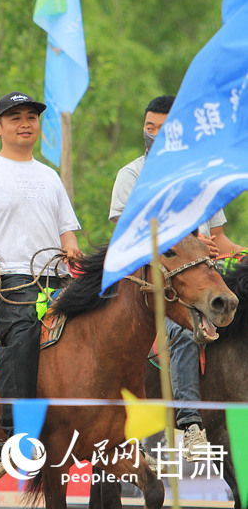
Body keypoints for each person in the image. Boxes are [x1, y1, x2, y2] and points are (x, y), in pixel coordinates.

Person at [109, 94, 244, 460]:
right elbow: (127, 237)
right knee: (185, 330)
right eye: (149, 128)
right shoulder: (131, 175)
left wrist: (240, 252)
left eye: (163, 129)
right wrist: (189, 247)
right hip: (160, 280)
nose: (154, 135)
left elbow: (220, 240)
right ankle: (192, 423)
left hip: (206, 275)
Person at [0, 91, 82, 440]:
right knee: (24, 332)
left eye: (31, 117)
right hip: (8, 280)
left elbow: (67, 231)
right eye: (15, 118)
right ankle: (19, 429)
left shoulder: (50, 176)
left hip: (56, 277)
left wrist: (72, 249)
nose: (25, 124)